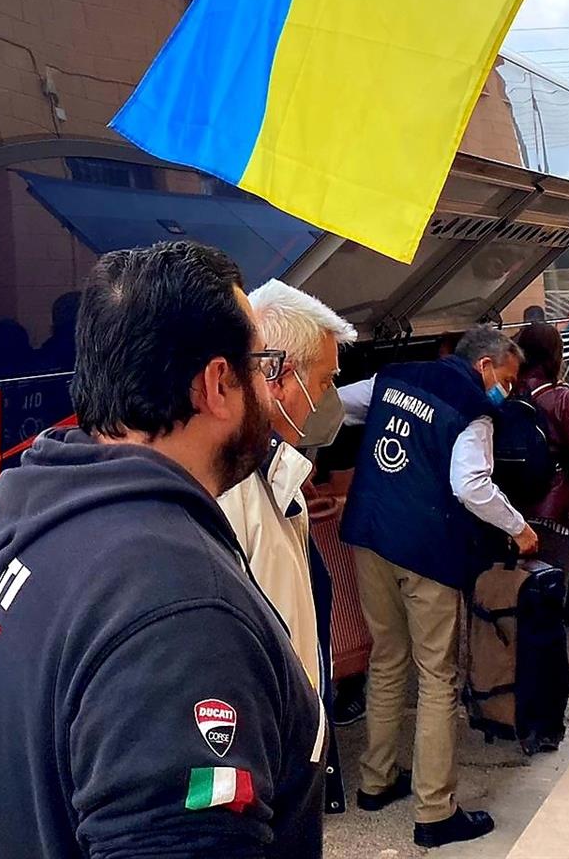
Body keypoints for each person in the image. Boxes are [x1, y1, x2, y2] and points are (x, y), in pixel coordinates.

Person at [0, 241, 324, 859]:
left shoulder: (58, 519)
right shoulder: (181, 611)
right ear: (216, 385)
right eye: (261, 364)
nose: (268, 387)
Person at [338, 325, 537, 848]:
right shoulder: (474, 408)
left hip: (370, 535)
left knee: (386, 658)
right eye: (507, 379)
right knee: (436, 676)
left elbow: (336, 406)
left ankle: (376, 780)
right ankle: (434, 811)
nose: (508, 391)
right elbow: (470, 485)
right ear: (484, 365)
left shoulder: (392, 377)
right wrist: (518, 527)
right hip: (426, 551)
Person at [217, 280, 356, 813]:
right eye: (323, 381)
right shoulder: (235, 491)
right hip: (271, 773)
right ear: (277, 375)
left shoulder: (275, 474)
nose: (325, 399)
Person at [511, 323, 569, 579]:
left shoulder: (505, 393)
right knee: (550, 589)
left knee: (509, 591)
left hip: (508, 511)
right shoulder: (567, 401)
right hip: (556, 513)